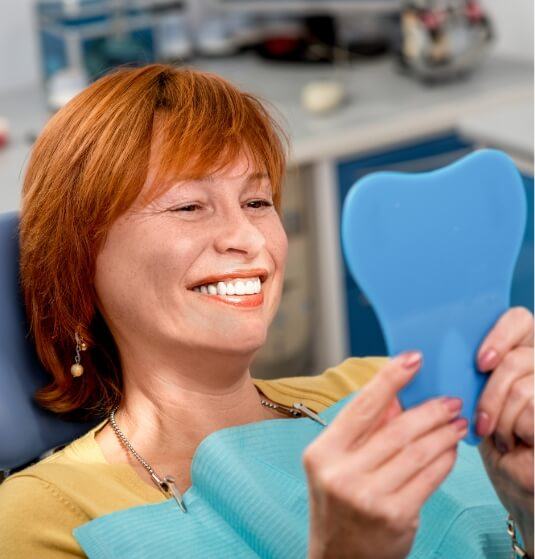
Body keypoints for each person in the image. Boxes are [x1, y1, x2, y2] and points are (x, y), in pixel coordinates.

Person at [0, 64, 532, 559]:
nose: (248, 237)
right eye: (189, 206)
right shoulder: (43, 518)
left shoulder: (385, 390)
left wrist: (526, 507)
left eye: (257, 202)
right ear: (79, 264)